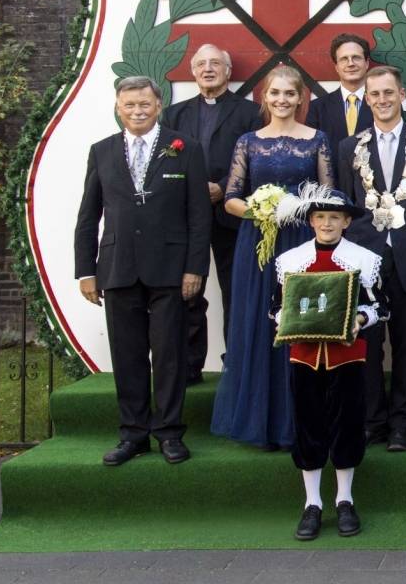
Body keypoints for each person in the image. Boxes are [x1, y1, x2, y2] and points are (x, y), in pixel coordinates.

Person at [74, 76, 211, 466]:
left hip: (170, 269)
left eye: (144, 104)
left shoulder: (185, 149)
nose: (137, 111)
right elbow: (88, 216)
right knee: (128, 355)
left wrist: (194, 269)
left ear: (158, 105)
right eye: (129, 105)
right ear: (118, 107)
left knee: (169, 354)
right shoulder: (100, 152)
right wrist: (86, 270)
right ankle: (133, 434)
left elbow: (199, 217)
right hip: (117, 269)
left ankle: (169, 433)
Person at [211, 65, 335, 449]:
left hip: (302, 239)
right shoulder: (248, 141)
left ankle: (302, 421)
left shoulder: (317, 139)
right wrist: (260, 210)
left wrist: (296, 210)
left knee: (302, 323)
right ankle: (261, 422)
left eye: (289, 94)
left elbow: (329, 197)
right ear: (264, 97)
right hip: (259, 242)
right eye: (275, 93)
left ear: (301, 98)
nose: (282, 100)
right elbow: (230, 197)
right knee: (261, 322)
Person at [335, 66, 406, 452]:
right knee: (367, 342)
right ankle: (372, 420)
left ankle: (403, 422)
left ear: (402, 95)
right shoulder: (350, 148)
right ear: (367, 100)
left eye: (388, 93)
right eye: (375, 95)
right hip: (365, 259)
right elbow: (347, 204)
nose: (382, 101)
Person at [271, 186, 388, 541]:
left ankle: (344, 499)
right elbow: (274, 308)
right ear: (311, 221)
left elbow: (381, 306)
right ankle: (312, 504)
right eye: (320, 217)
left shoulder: (363, 260)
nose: (327, 223)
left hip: (347, 357)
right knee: (308, 425)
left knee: (347, 424)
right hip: (304, 356)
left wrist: (360, 321)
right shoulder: (292, 260)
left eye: (334, 217)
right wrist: (289, 321)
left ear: (347, 222)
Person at [161, 43, 263, 383]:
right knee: (187, 290)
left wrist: (223, 186)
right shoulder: (174, 115)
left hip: (229, 213)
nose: (208, 69)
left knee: (236, 291)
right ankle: (189, 366)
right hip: (183, 216)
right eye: (201, 64)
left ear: (228, 70)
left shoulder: (249, 113)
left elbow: (256, 162)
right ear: (192, 72)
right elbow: (164, 163)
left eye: (215, 63)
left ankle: (235, 362)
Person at [305, 33, 374, 152]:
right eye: (344, 59)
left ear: (367, 63)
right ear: (336, 67)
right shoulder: (317, 108)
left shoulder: (382, 104)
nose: (351, 63)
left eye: (356, 57)